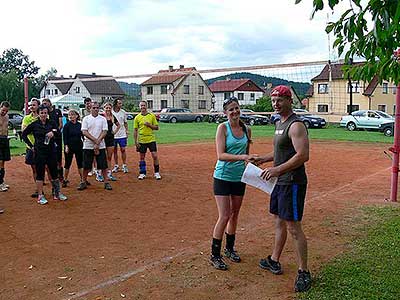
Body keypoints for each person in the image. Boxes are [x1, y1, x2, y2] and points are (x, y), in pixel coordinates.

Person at [251, 85, 311, 293]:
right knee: (278, 221)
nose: (275, 104)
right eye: (273, 100)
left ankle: (304, 271)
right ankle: (274, 260)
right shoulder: (279, 123)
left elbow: (302, 155)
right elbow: (281, 152)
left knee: (294, 227)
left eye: (279, 100)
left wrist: (277, 170)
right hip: (281, 181)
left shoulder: (296, 125)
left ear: (289, 100)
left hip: (292, 182)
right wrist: (264, 159)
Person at [209, 97, 253, 270]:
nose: (234, 112)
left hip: (239, 177)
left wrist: (251, 163)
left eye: (236, 108)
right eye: (231, 110)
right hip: (222, 176)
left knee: (235, 214)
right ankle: (215, 254)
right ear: (225, 113)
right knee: (225, 215)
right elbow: (221, 155)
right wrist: (242, 157)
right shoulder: (222, 128)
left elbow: (246, 156)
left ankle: (229, 249)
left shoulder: (247, 130)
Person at [21, 105, 68, 204]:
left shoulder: (52, 123)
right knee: (40, 173)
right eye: (41, 113)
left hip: (51, 151)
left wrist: (53, 133)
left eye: (45, 113)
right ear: (38, 113)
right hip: (39, 152)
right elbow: (24, 134)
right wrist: (31, 146)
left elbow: (59, 133)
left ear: (47, 114)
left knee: (54, 172)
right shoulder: (34, 124)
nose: (43, 115)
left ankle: (57, 193)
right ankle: (40, 195)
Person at [79, 101, 112, 191]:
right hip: (88, 145)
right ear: (90, 108)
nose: (96, 109)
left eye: (97, 108)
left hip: (100, 145)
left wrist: (98, 142)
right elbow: (84, 131)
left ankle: (106, 182)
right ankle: (83, 181)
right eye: (94, 108)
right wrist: (95, 141)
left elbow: (104, 131)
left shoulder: (102, 119)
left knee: (103, 165)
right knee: (86, 166)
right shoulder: (86, 119)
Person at [133, 101, 161, 180]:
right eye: (141, 105)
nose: (143, 107)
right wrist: (136, 142)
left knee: (155, 156)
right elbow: (135, 130)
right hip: (142, 140)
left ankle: (157, 173)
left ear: (147, 106)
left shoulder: (151, 116)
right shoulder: (137, 117)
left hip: (151, 139)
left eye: (144, 105)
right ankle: (142, 173)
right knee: (142, 157)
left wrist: (149, 125)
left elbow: (157, 127)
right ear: (139, 107)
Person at [22, 98, 41, 198]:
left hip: (42, 147)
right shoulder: (26, 118)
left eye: (34, 105)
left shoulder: (42, 116)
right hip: (31, 147)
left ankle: (54, 188)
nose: (32, 107)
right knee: (34, 168)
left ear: (38, 106)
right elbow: (24, 131)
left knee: (47, 168)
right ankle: (38, 189)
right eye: (30, 105)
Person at [42, 98, 64, 183]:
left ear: (49, 103)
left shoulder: (57, 111)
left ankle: (60, 175)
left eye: (45, 103)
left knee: (58, 157)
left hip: (57, 137)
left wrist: (55, 133)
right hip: (47, 137)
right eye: (43, 103)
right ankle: (47, 176)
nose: (44, 105)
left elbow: (60, 124)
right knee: (46, 157)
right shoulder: (45, 113)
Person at [62, 109, 84, 188]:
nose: (71, 116)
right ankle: (64, 179)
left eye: (73, 115)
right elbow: (65, 137)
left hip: (79, 146)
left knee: (80, 163)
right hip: (70, 146)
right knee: (67, 163)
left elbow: (83, 135)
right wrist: (66, 146)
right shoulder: (67, 125)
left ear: (77, 116)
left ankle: (83, 180)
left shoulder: (80, 125)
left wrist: (85, 143)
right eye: (69, 115)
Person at [102, 102, 120, 181]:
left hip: (110, 137)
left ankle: (109, 173)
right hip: (102, 137)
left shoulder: (113, 116)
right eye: (106, 108)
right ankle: (100, 173)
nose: (108, 109)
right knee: (102, 156)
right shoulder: (101, 116)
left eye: (109, 108)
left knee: (109, 156)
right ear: (104, 108)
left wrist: (114, 132)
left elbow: (118, 125)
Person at [112, 98, 129, 173]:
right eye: (119, 103)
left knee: (123, 149)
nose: (121, 105)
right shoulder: (111, 112)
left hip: (122, 134)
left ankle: (124, 165)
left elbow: (125, 122)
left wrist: (127, 130)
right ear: (115, 104)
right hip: (113, 134)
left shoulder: (123, 112)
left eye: (121, 103)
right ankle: (116, 165)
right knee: (114, 150)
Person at [0, 101, 11, 197]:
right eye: (3, 110)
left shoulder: (7, 117)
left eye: (6, 111)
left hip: (4, 139)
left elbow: (6, 129)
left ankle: (2, 181)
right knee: (0, 161)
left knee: (3, 161)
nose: (4, 112)